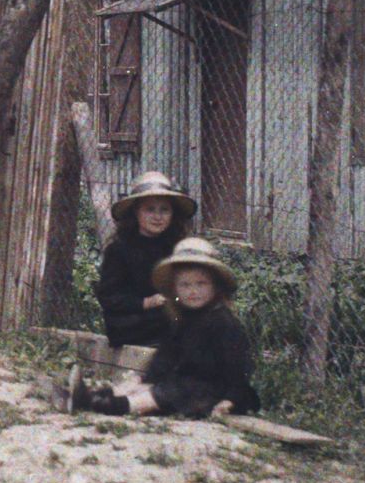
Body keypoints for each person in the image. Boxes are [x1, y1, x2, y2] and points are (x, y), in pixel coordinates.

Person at [70, 237, 262, 418]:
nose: (193, 291)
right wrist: (145, 380)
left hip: (210, 391)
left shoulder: (224, 322)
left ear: (216, 286)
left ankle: (105, 405)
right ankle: (93, 396)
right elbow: (166, 357)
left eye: (201, 284)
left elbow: (238, 369)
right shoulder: (182, 319)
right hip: (183, 385)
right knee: (144, 386)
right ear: (175, 289)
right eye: (185, 285)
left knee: (161, 394)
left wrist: (230, 400)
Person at [94, 170, 193, 348]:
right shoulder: (119, 250)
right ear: (136, 212)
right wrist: (146, 302)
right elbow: (109, 297)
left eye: (164, 210)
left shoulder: (175, 249)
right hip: (131, 322)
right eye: (150, 209)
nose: (157, 217)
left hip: (167, 316)